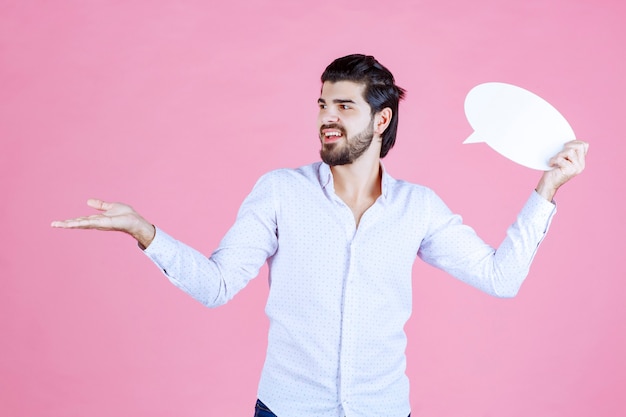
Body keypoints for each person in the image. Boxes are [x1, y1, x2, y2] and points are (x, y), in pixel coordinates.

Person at [51, 54, 588, 417]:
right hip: (285, 408)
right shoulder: (280, 191)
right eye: (322, 105)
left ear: (381, 120)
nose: (326, 119)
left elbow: (501, 278)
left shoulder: (417, 208)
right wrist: (145, 232)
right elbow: (216, 286)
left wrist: (547, 188)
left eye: (344, 106)